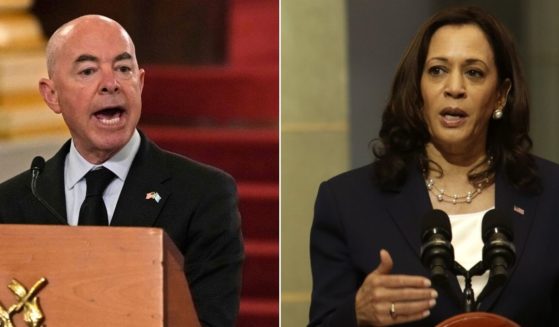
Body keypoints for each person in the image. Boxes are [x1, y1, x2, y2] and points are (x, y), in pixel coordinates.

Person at [309, 6, 559, 326]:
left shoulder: (552, 195)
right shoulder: (347, 202)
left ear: (500, 96)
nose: (454, 87)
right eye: (438, 70)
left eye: (474, 72)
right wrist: (356, 314)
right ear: (418, 90)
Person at [0, 15, 243, 327]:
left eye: (123, 69)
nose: (110, 83)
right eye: (87, 71)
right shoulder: (12, 204)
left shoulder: (204, 195)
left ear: (140, 83)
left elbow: (211, 320)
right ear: (52, 95)